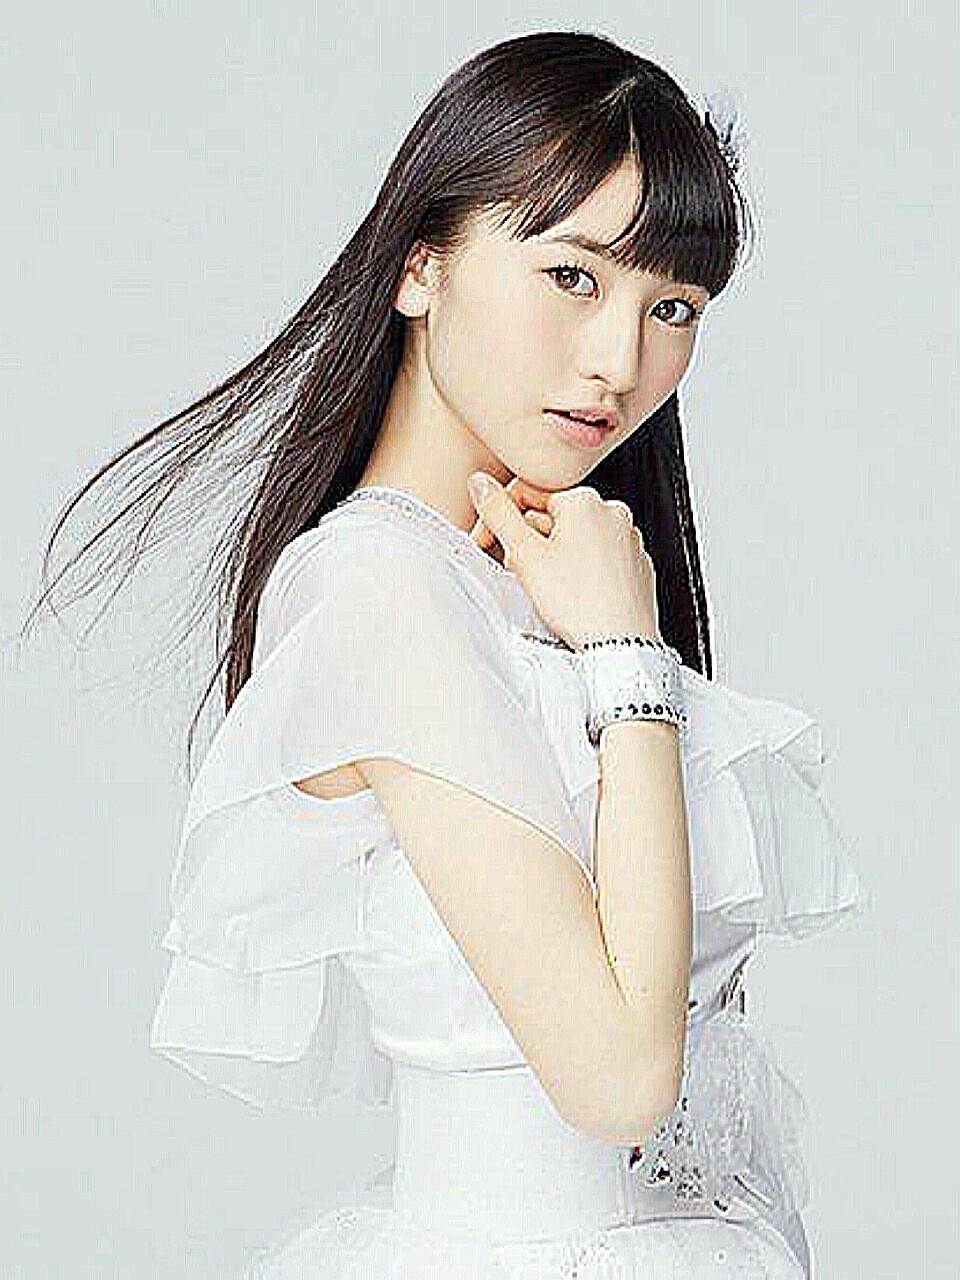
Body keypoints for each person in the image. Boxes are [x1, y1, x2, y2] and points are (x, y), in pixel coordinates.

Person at [29, 31, 870, 1279]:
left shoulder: (532, 583)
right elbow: (619, 1078)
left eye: (672, 308)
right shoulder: (382, 589)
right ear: (421, 263)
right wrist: (628, 656)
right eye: (573, 275)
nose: (619, 360)